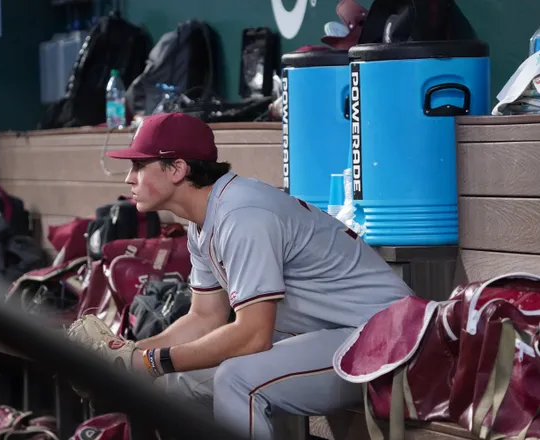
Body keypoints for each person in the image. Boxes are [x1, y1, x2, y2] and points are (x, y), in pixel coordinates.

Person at [103, 112, 414, 440]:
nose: (129, 178)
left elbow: (253, 335)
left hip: (386, 339)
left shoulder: (241, 213)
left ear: (178, 169)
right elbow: (204, 317)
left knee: (237, 379)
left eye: (139, 165)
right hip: (331, 336)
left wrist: (151, 361)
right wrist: (128, 354)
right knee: (178, 380)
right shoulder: (203, 218)